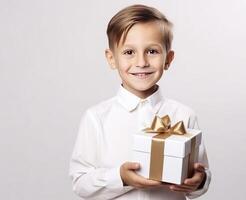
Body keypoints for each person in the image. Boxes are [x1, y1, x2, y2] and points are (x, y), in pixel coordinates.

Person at [69, 4, 211, 200]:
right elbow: (80, 183)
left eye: (152, 51)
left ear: (168, 59)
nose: (141, 62)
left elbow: (201, 176)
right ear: (112, 59)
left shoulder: (184, 115)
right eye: (129, 52)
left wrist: (199, 180)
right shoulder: (96, 118)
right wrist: (120, 177)